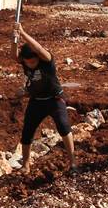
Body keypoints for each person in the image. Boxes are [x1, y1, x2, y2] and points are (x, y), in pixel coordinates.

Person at [12, 23, 76, 173]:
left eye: (33, 62)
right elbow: (14, 56)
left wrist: (23, 32)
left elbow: (39, 49)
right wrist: (14, 38)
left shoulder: (47, 62)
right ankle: (26, 164)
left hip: (54, 99)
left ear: (38, 58)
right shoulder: (25, 63)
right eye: (27, 63)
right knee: (27, 132)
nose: (30, 65)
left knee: (63, 126)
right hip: (36, 101)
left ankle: (73, 161)